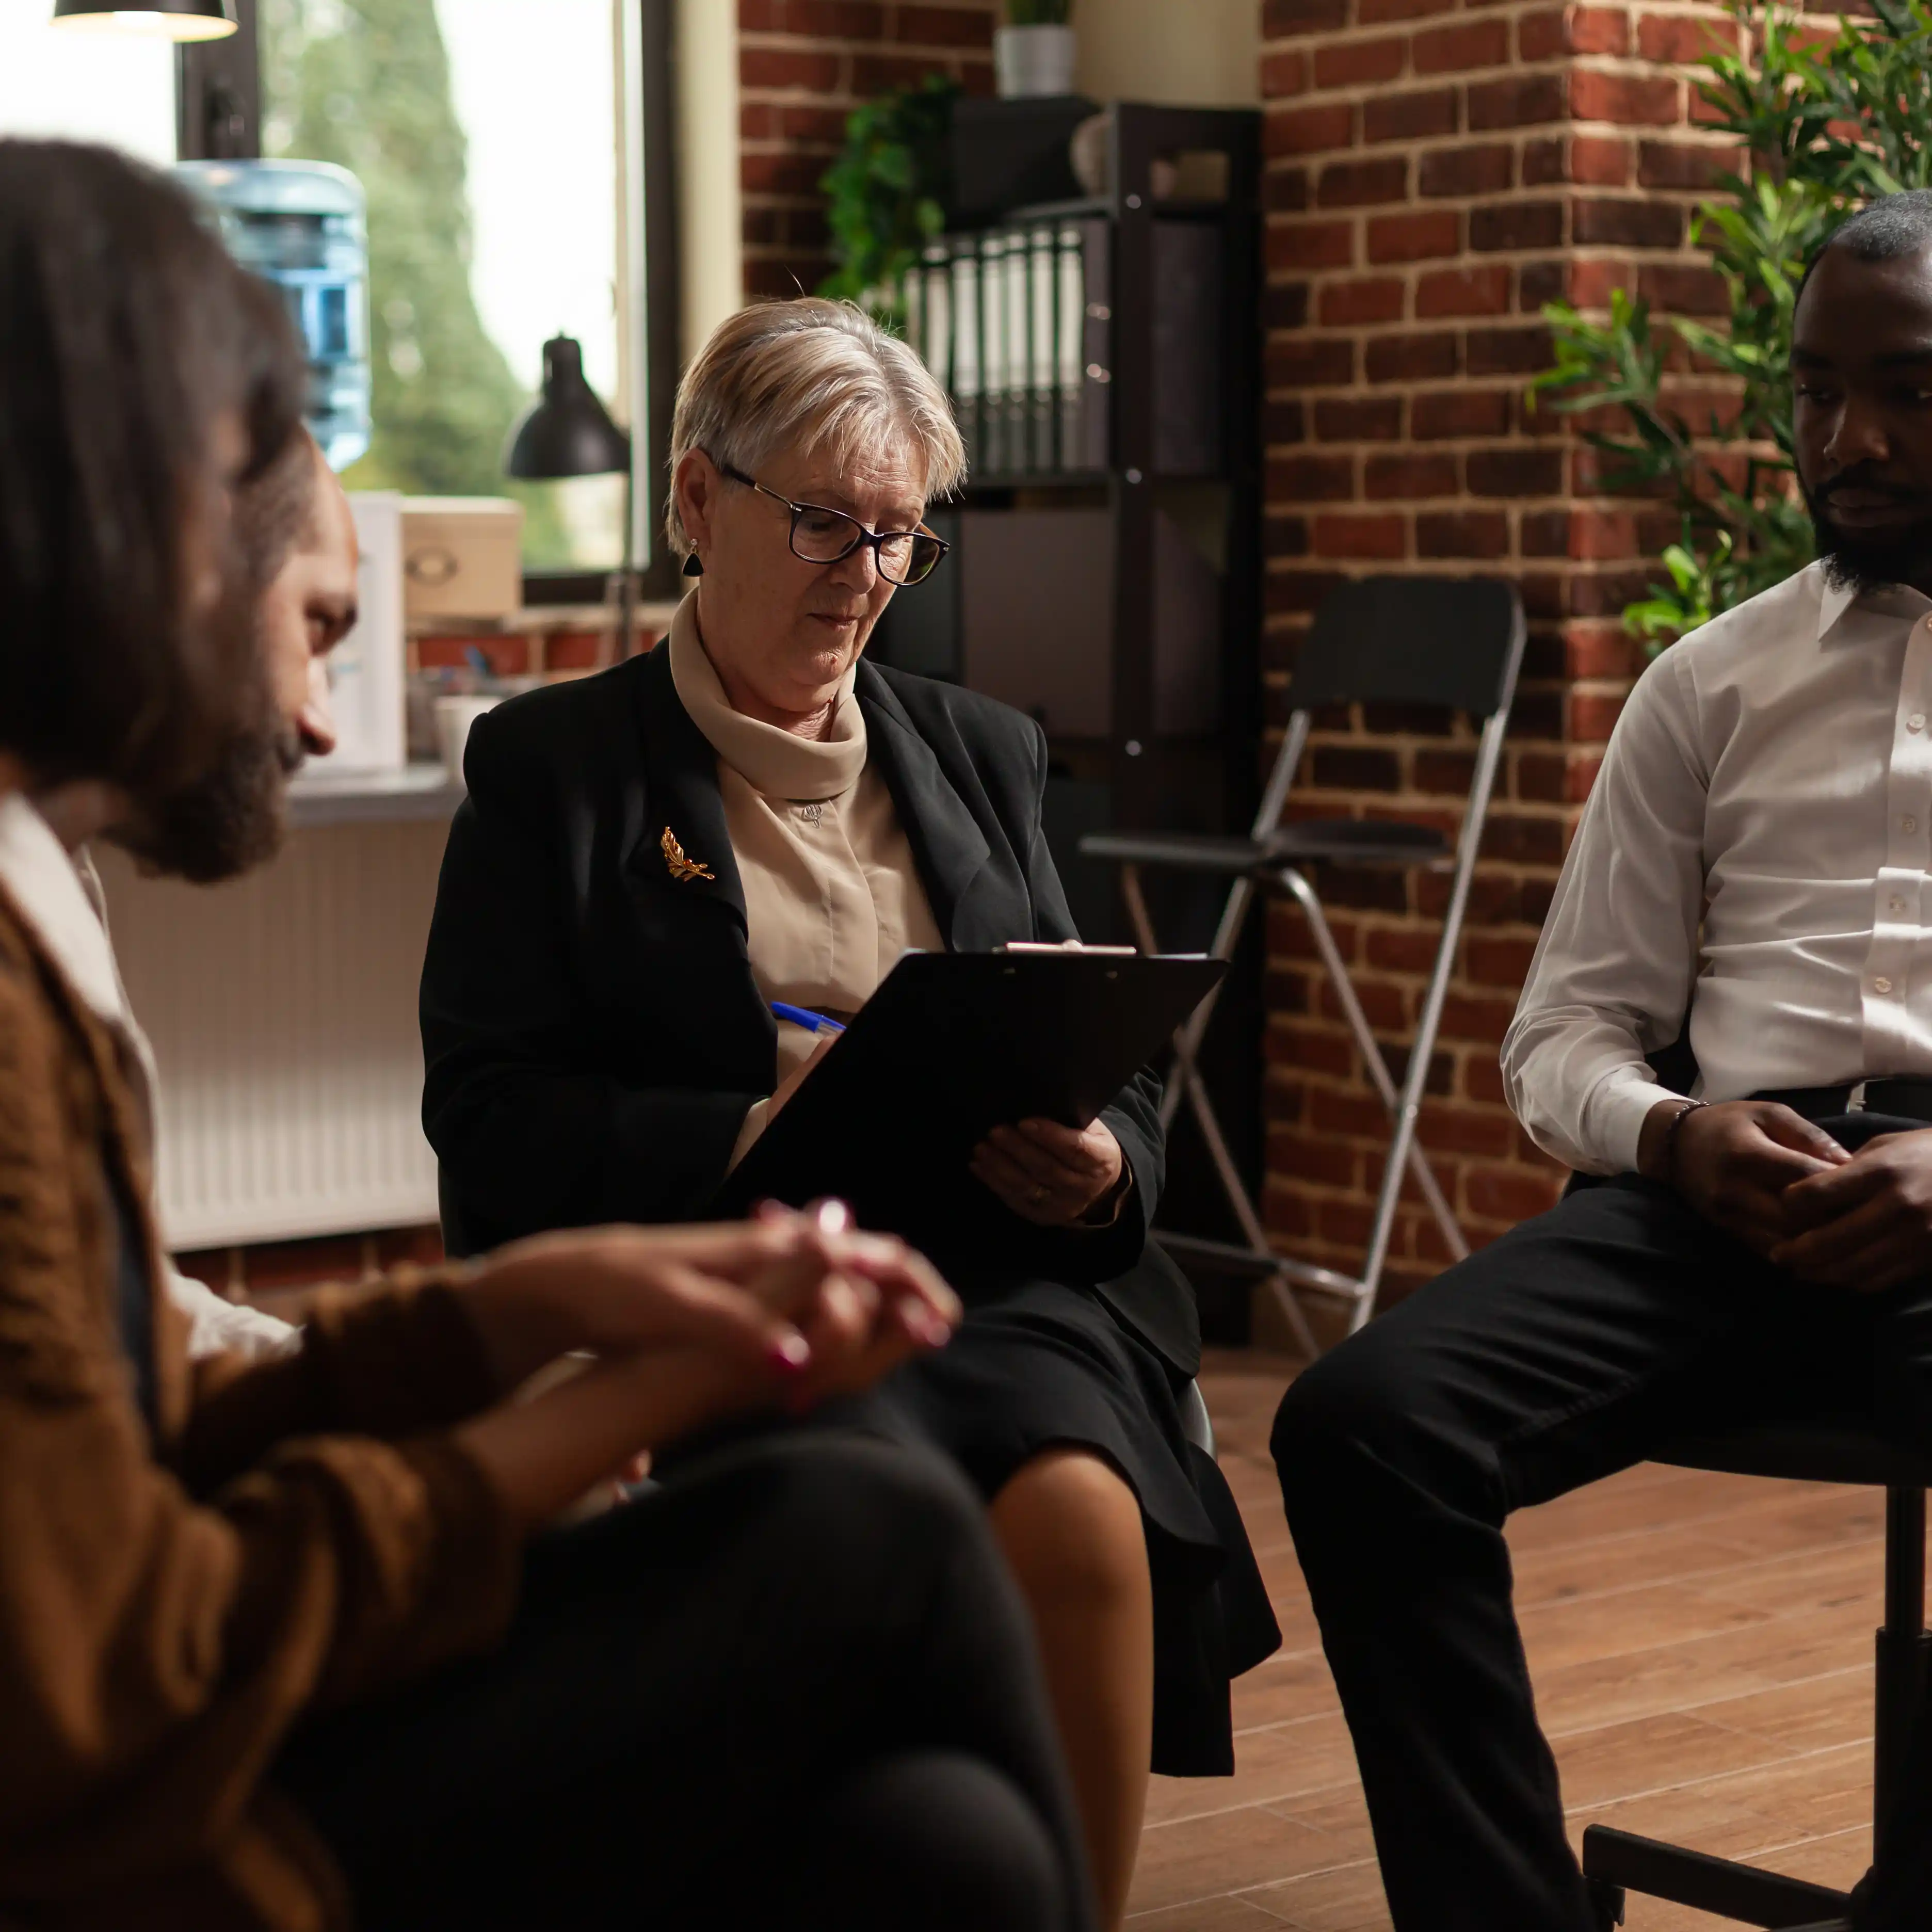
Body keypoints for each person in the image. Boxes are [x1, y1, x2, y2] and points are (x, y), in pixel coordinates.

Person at [0, 140, 1098, 1932]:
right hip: (178, 1829)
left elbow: (139, 1401)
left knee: (936, 1845)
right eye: (293, 602)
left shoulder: (41, 903)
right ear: (108, 533)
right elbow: (122, 1677)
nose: (308, 703)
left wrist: (542, 1310)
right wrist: (627, 1406)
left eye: (891, 532)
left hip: (194, 1708)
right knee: (862, 1531)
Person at [420, 295, 1281, 1926]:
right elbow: (490, 1112)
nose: (865, 575)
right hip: (747, 1284)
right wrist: (748, 1128)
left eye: (899, 538)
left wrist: (1098, 1169)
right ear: (695, 502)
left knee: (1089, 1519)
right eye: (822, 521)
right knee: (891, 1514)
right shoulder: (557, 771)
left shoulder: (981, 752)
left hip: (996, 1271)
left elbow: (1125, 1066)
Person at [1270, 189, 1932, 1932]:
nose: (1845, 440)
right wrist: (1672, 1136)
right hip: (1731, 1193)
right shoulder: (1707, 685)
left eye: (1907, 391)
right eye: (1812, 392)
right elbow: (1561, 1030)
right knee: (1360, 1424)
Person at [69, 424, 357, 1362]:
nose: (322, 725)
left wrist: (452, 1377)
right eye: (317, 625)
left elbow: (132, 1319)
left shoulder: (56, 877)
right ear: (195, 578)